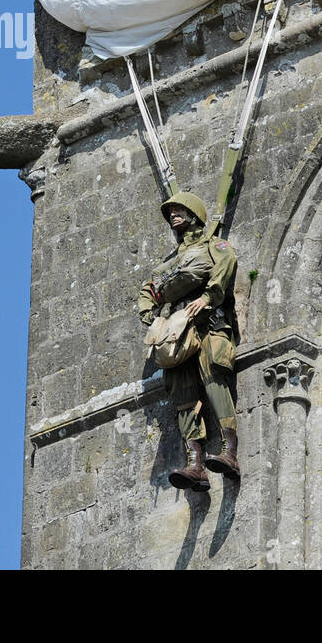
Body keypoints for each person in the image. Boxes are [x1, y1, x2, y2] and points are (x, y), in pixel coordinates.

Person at [137, 192, 241, 489]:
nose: (173, 215)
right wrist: (151, 318)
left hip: (209, 322)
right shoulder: (166, 265)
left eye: (179, 210)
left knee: (213, 378)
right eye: (169, 212)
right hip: (178, 331)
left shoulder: (213, 246)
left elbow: (227, 263)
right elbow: (148, 291)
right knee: (183, 394)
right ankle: (195, 463)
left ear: (194, 213)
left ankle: (228, 451)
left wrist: (208, 296)